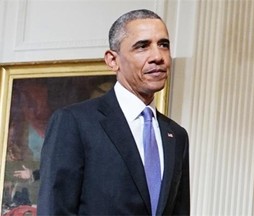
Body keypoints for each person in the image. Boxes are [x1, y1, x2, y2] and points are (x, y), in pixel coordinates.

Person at [37, 9, 190, 215]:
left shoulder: (176, 135)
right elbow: (55, 208)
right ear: (112, 60)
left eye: (164, 45)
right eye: (142, 46)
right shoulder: (75, 123)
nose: (158, 56)